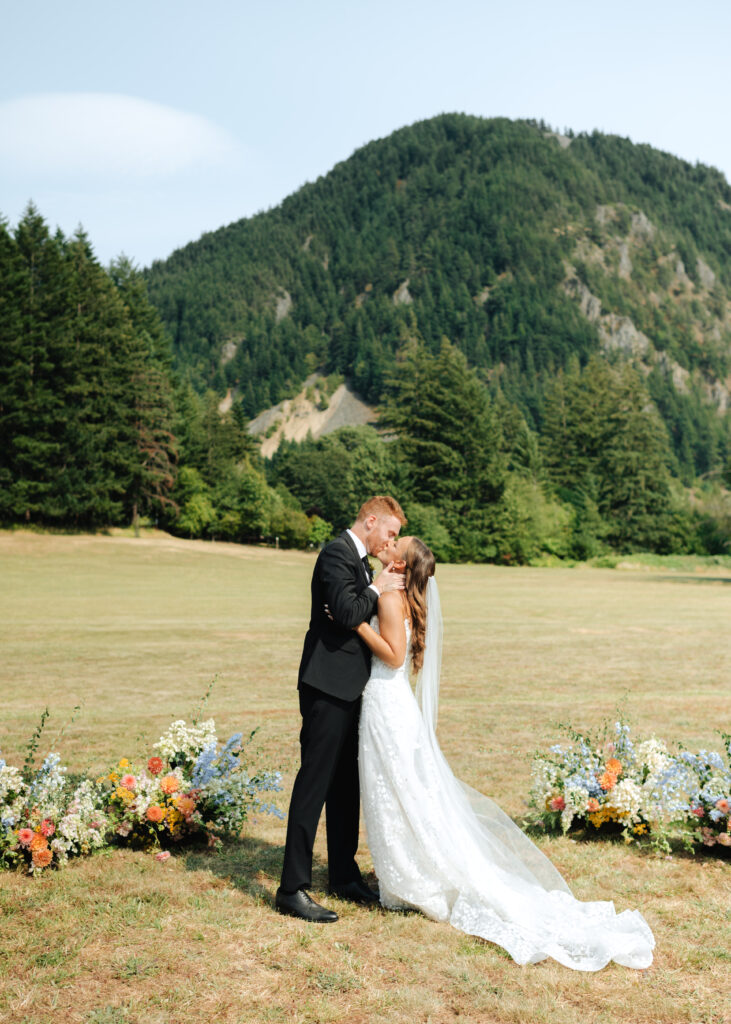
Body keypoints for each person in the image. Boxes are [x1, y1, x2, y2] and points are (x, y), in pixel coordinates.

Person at [353, 535, 655, 971]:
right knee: (401, 790)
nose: (390, 543)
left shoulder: (390, 598)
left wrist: (357, 626)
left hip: (386, 700)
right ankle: (402, 875)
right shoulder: (397, 593)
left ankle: (410, 878)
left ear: (400, 566)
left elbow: (395, 657)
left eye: (397, 544)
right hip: (390, 704)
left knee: (400, 790)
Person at [276, 496, 407, 923]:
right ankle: (292, 888)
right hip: (326, 687)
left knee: (346, 787)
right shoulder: (335, 554)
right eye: (390, 532)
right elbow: (349, 611)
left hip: (354, 689)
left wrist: (373, 586)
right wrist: (377, 588)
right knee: (314, 784)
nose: (392, 541)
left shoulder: (362, 562)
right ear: (371, 521)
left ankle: (343, 874)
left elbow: (350, 613)